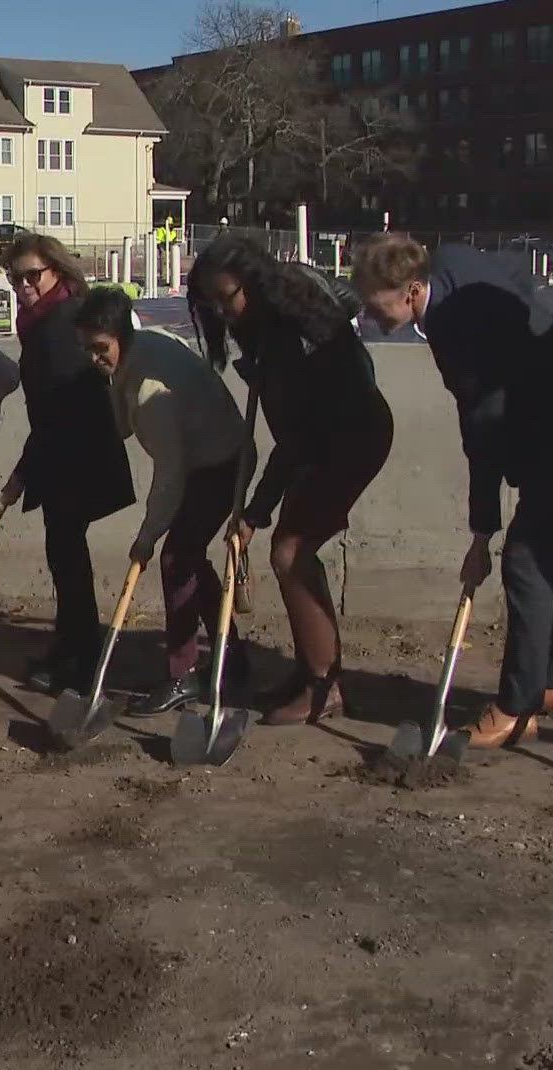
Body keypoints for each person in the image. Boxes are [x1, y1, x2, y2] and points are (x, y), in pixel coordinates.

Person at [353, 234, 553, 748]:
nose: (371, 319)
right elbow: (518, 275)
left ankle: (517, 705)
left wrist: (482, 529)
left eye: (376, 306)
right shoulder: (453, 261)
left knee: (526, 561)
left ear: (412, 290)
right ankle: (549, 681)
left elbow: (480, 429)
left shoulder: (452, 330)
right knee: (552, 548)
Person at [189, 235, 391, 726]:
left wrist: (255, 513)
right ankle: (311, 669)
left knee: (290, 553)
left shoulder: (286, 332)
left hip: (349, 439)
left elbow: (295, 438)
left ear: (253, 283)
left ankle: (325, 687)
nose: (222, 311)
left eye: (227, 296)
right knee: (294, 552)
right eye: (210, 302)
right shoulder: (269, 325)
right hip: (323, 439)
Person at [73, 288, 250, 715]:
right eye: (87, 349)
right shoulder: (146, 345)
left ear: (120, 335)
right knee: (188, 559)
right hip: (203, 454)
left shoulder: (152, 392)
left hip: (222, 463)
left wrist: (147, 538)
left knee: (176, 560)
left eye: (100, 349)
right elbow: (122, 409)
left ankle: (183, 674)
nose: (94, 359)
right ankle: (233, 662)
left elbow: (169, 476)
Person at [0, 234, 135, 696]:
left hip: (77, 450)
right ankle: (71, 647)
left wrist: (25, 468)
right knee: (66, 557)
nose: (23, 286)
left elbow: (61, 405)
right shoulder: (46, 319)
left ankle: (82, 659)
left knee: (69, 559)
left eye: (32, 276)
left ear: (57, 271)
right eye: (15, 278)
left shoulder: (61, 323)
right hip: (61, 447)